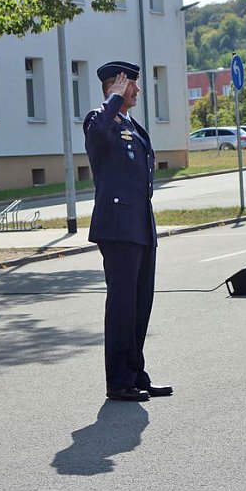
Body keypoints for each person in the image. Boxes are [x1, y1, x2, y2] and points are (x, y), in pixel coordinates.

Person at [83, 61, 173, 402]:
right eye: (130, 84)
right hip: (117, 227)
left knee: (140, 304)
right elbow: (98, 132)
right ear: (113, 87)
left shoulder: (133, 125)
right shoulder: (98, 118)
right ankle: (118, 381)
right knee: (121, 305)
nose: (137, 90)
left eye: (134, 85)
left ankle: (136, 373)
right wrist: (113, 100)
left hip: (140, 224)